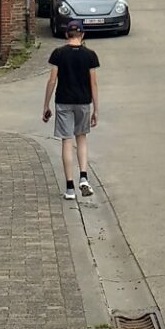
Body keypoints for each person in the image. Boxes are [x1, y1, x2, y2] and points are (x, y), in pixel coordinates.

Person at [42, 21, 99, 199]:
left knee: (67, 141)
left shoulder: (58, 54)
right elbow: (94, 83)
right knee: (81, 138)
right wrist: (96, 108)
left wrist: (46, 104)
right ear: (82, 35)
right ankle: (83, 177)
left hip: (63, 101)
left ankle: (69, 188)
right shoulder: (90, 55)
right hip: (83, 102)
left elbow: (52, 80)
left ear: (67, 35)